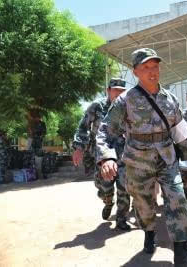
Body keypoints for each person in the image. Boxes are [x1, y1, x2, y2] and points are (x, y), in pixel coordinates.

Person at [97, 48, 187, 267]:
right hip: (138, 162)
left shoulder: (170, 98)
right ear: (136, 72)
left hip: (167, 158)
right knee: (144, 205)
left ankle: (182, 253)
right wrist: (106, 158)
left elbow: (180, 130)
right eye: (146, 68)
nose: (152, 71)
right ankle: (148, 231)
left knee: (177, 198)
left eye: (155, 66)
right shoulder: (125, 100)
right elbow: (105, 131)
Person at [72, 78, 131, 231]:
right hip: (101, 153)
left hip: (123, 152)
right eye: (115, 90)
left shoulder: (128, 107)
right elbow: (83, 126)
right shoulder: (96, 106)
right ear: (108, 90)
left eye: (121, 91)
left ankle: (121, 218)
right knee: (104, 186)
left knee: (124, 186)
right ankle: (108, 201)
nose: (118, 93)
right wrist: (79, 147)